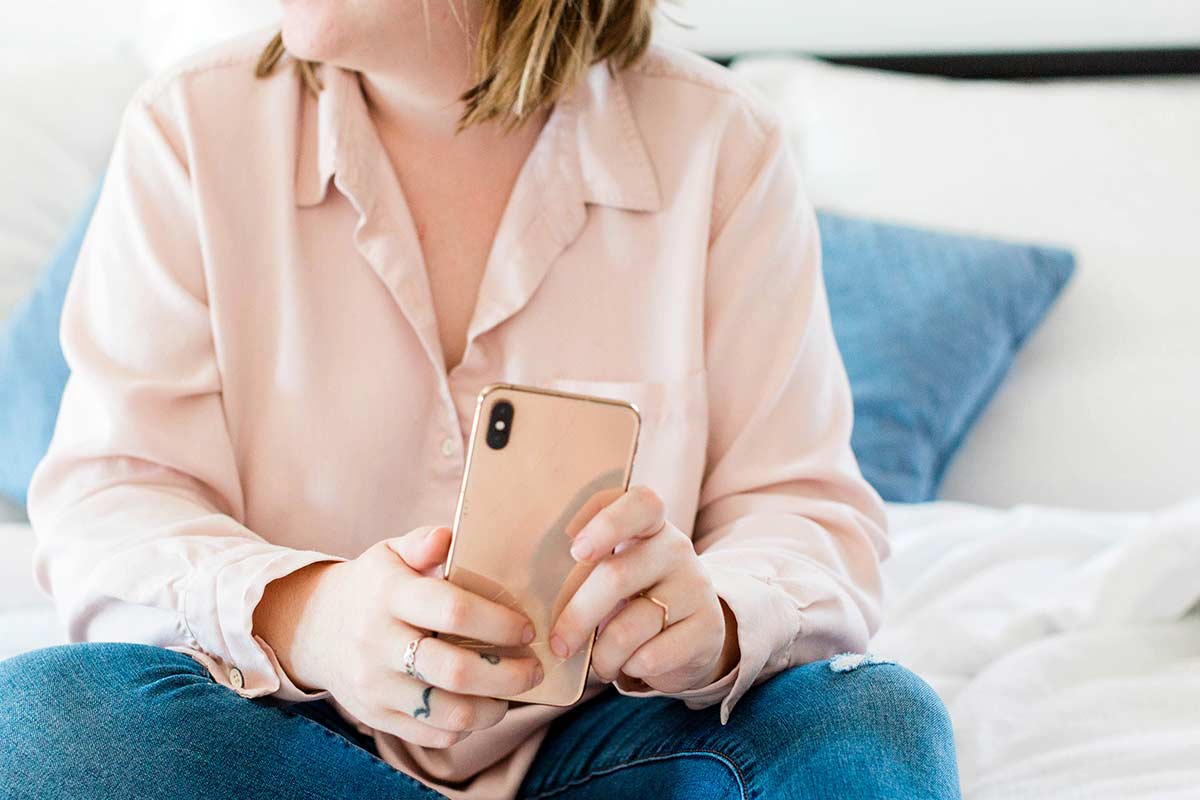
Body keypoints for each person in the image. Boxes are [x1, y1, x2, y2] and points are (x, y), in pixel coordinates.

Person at [0, 1, 961, 798]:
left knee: (873, 713)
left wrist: (715, 616)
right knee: (43, 725)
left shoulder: (721, 145)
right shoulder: (190, 129)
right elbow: (113, 502)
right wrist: (312, 619)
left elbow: (803, 509)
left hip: (622, 747)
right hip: (283, 736)